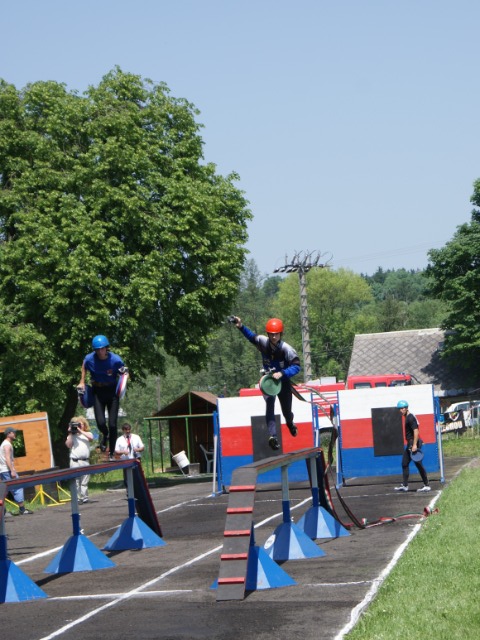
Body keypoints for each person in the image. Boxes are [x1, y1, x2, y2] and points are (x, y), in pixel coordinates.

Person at [231, 316, 301, 450]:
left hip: (283, 381)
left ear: (281, 334)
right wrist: (240, 326)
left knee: (286, 411)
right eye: (271, 334)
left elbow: (297, 366)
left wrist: (283, 373)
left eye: (276, 334)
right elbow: (251, 337)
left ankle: (290, 423)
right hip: (269, 381)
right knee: (269, 403)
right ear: (268, 334)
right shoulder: (263, 341)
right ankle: (272, 436)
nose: (274, 337)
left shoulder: (287, 349)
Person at [78, 334, 125, 461]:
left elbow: (124, 372)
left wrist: (124, 382)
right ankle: (105, 434)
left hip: (112, 393)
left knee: (113, 424)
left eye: (102, 349)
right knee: (100, 422)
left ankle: (111, 453)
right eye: (97, 349)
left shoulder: (115, 360)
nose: (100, 351)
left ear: (106, 348)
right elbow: (84, 365)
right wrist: (82, 381)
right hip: (98, 392)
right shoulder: (89, 359)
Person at [394, 400, 431, 493]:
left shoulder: (410, 418)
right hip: (410, 443)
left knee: (418, 464)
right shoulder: (408, 417)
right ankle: (405, 486)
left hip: (413, 443)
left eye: (402, 408)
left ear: (406, 408)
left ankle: (426, 485)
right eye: (399, 409)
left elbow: (416, 431)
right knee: (404, 463)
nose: (400, 410)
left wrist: (415, 445)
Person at [0, 427, 33, 515]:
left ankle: (4, 512)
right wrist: (12, 470)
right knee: (17, 487)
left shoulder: (4, 444)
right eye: (13, 432)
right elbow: (7, 458)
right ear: (8, 433)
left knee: (5, 490)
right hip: (7, 470)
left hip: (3, 470)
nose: (15, 434)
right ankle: (22, 509)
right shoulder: (7, 444)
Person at [65, 416, 93, 504]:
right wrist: (70, 433)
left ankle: (84, 497)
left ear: (84, 425)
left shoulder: (88, 434)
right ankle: (76, 498)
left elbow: (91, 438)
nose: (78, 426)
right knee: (75, 480)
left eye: (80, 424)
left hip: (85, 461)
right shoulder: (72, 436)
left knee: (84, 480)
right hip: (75, 461)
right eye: (77, 425)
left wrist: (80, 430)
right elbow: (68, 445)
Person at [114, 423, 144, 492]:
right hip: (125, 461)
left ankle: (138, 491)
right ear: (123, 430)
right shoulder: (119, 439)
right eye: (126, 430)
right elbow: (116, 451)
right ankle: (129, 492)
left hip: (135, 459)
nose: (128, 431)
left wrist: (138, 449)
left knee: (137, 476)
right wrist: (123, 452)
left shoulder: (136, 437)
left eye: (129, 429)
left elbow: (142, 447)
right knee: (127, 478)